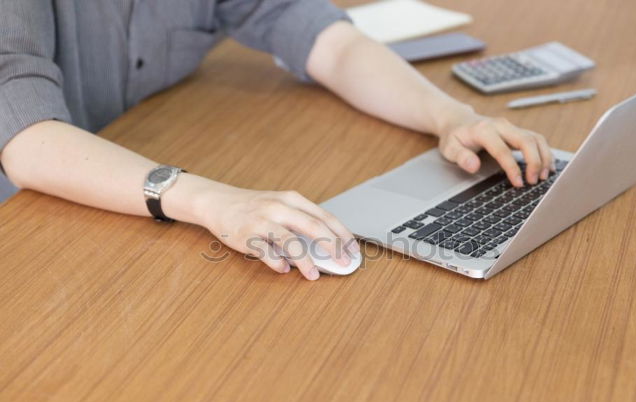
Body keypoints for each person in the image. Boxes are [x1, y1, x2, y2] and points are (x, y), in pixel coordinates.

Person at [0, 0, 554, 281]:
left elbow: (314, 32)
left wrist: (448, 115)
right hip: (32, 226)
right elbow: (24, 133)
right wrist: (210, 199)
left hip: (132, 194)